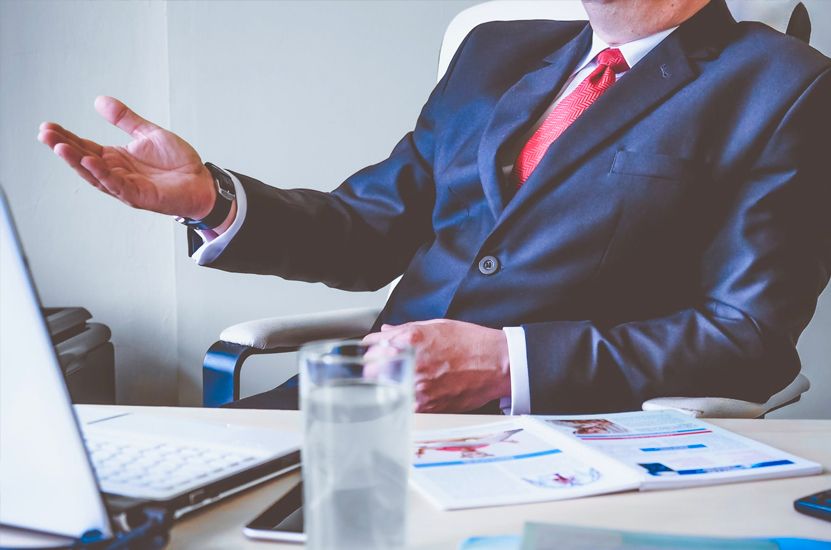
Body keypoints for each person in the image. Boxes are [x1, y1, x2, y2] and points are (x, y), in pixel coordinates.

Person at [38, 0, 831, 414]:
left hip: (564, 432)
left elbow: (749, 335)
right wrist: (213, 198)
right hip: (361, 405)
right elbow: (368, 232)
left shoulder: (787, 85)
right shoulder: (497, 52)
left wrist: (505, 366)